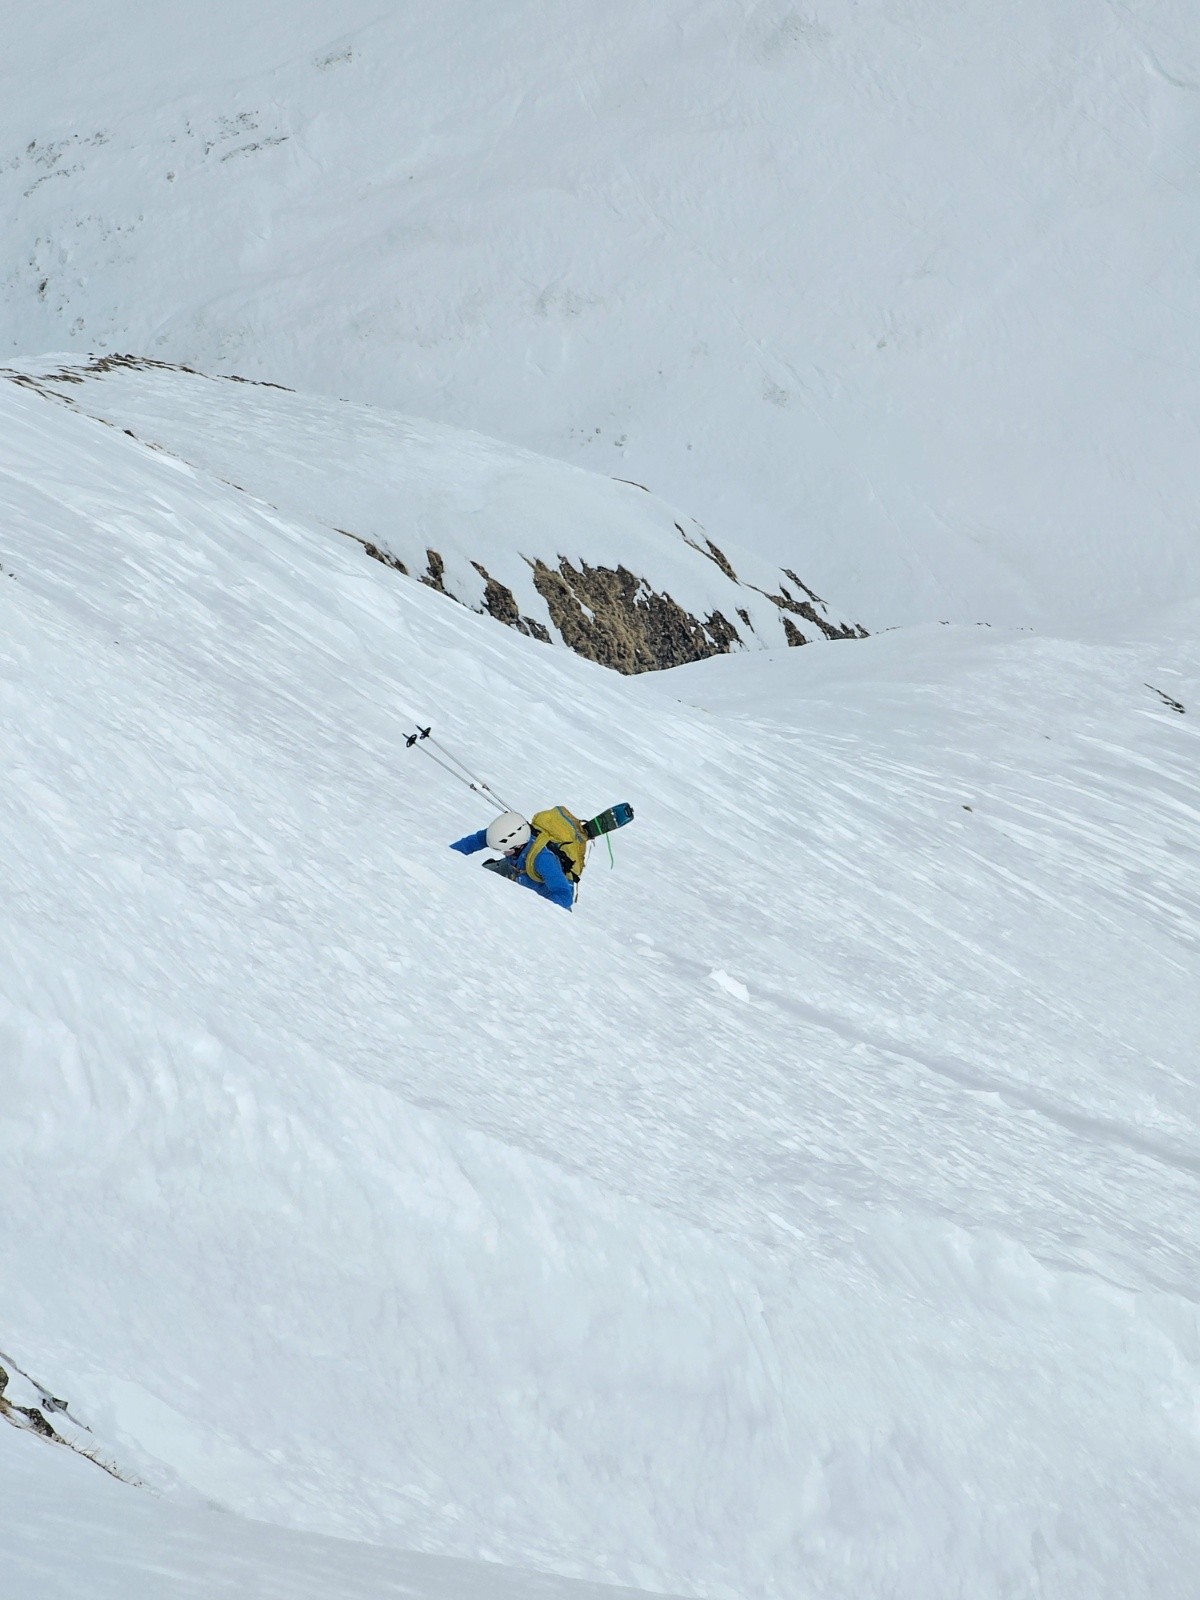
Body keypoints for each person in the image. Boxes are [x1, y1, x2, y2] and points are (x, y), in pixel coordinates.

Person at [450, 811, 576, 911]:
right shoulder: (502, 834)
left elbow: (564, 895)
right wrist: (446, 855)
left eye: (504, 850)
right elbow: (477, 840)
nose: (503, 853)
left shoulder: (543, 859)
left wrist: (537, 911)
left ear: (518, 845)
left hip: (542, 893)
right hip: (517, 870)